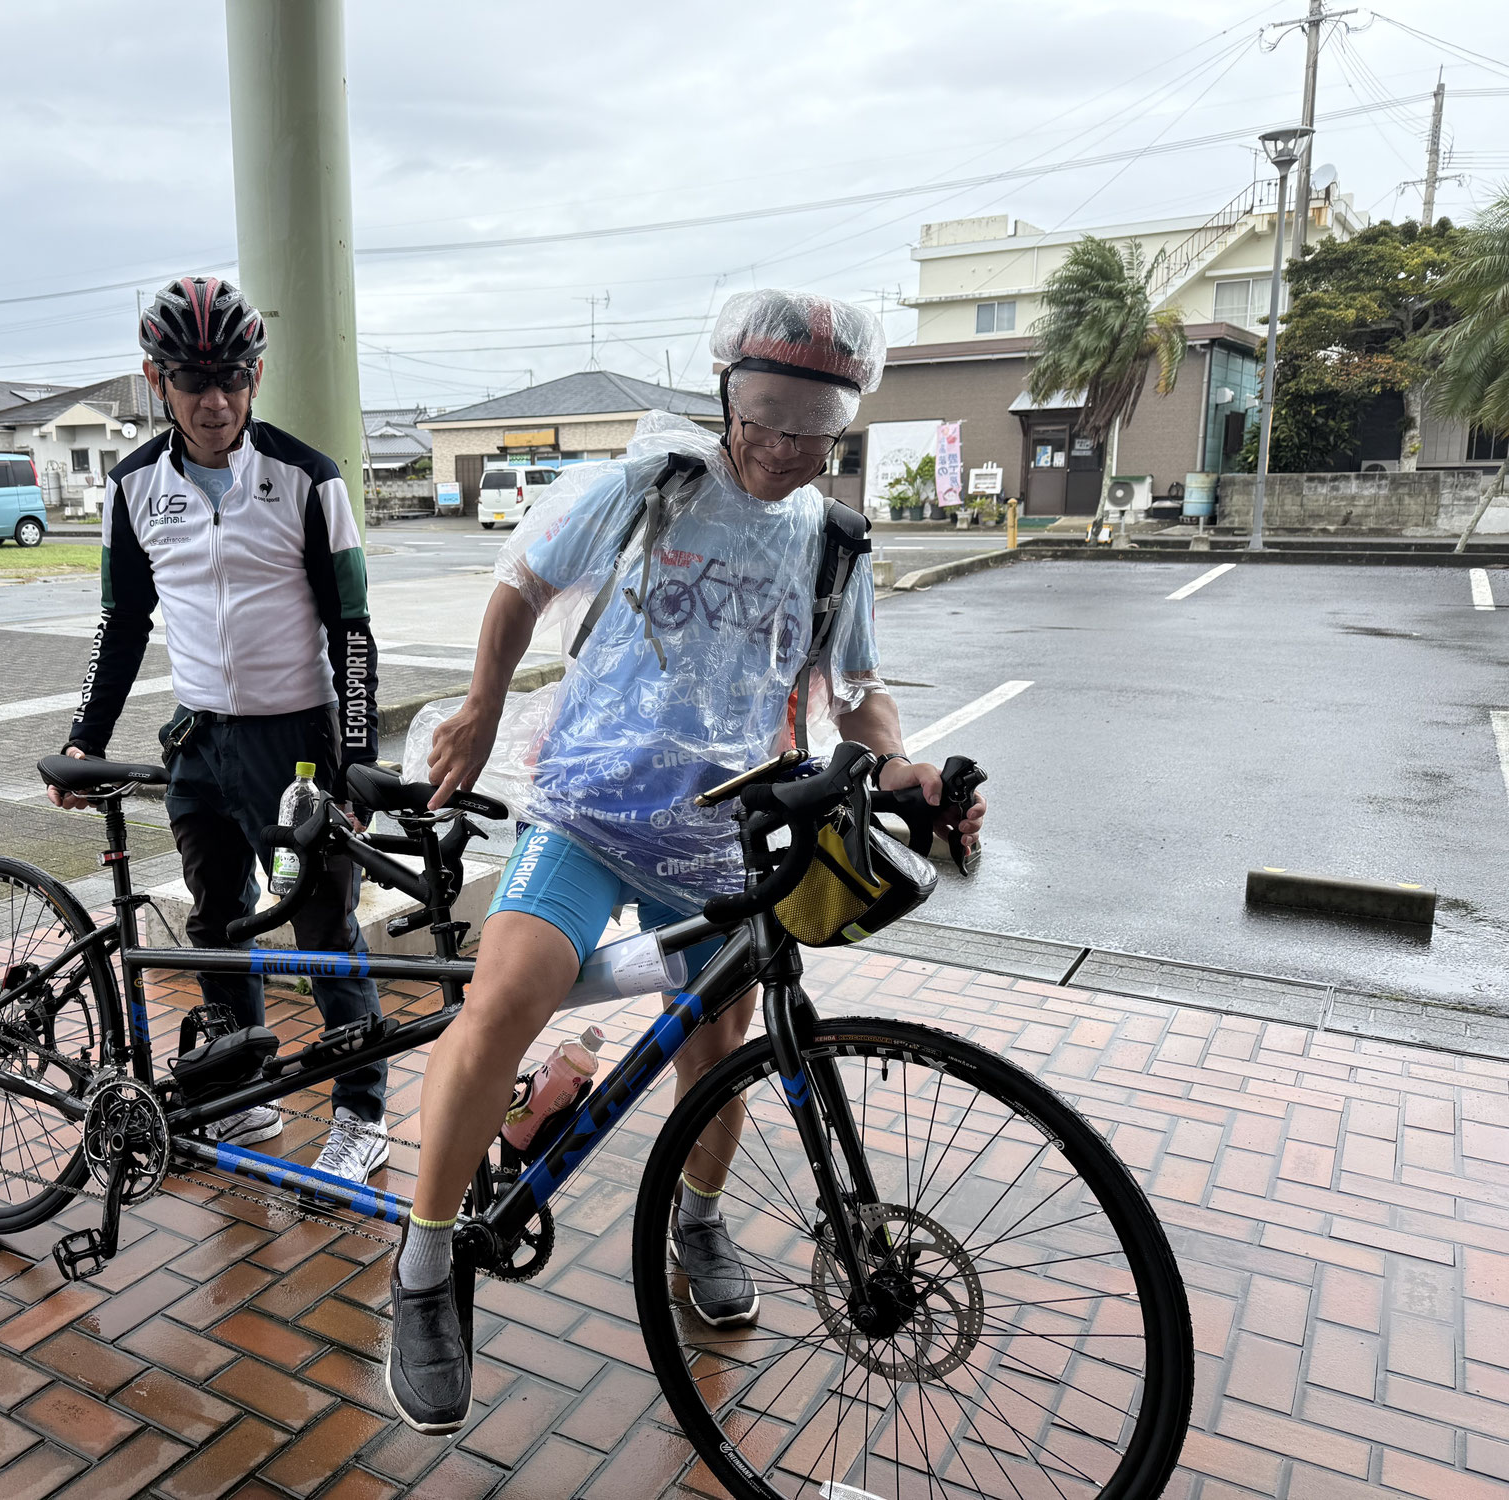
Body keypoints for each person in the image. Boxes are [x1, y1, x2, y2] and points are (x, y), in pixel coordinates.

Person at [383, 290, 988, 1432]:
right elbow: (520, 582)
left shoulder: (832, 540)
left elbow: (853, 694)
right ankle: (423, 1269)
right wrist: (475, 708)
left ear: (841, 425)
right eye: (764, 416)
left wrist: (903, 767)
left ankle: (695, 1220)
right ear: (726, 399)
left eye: (812, 428)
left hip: (723, 835)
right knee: (506, 996)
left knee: (721, 1051)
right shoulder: (651, 485)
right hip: (589, 807)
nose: (782, 448)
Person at [50, 274, 390, 1184]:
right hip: (198, 740)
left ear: (257, 375)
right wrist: (86, 737)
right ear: (155, 380)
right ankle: (247, 1087)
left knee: (325, 935)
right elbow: (123, 625)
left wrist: (354, 764)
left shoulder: (310, 480)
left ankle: (361, 1113)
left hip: (299, 745)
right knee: (217, 924)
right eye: (191, 379)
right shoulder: (132, 488)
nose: (213, 401)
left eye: (231, 379)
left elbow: (351, 633)